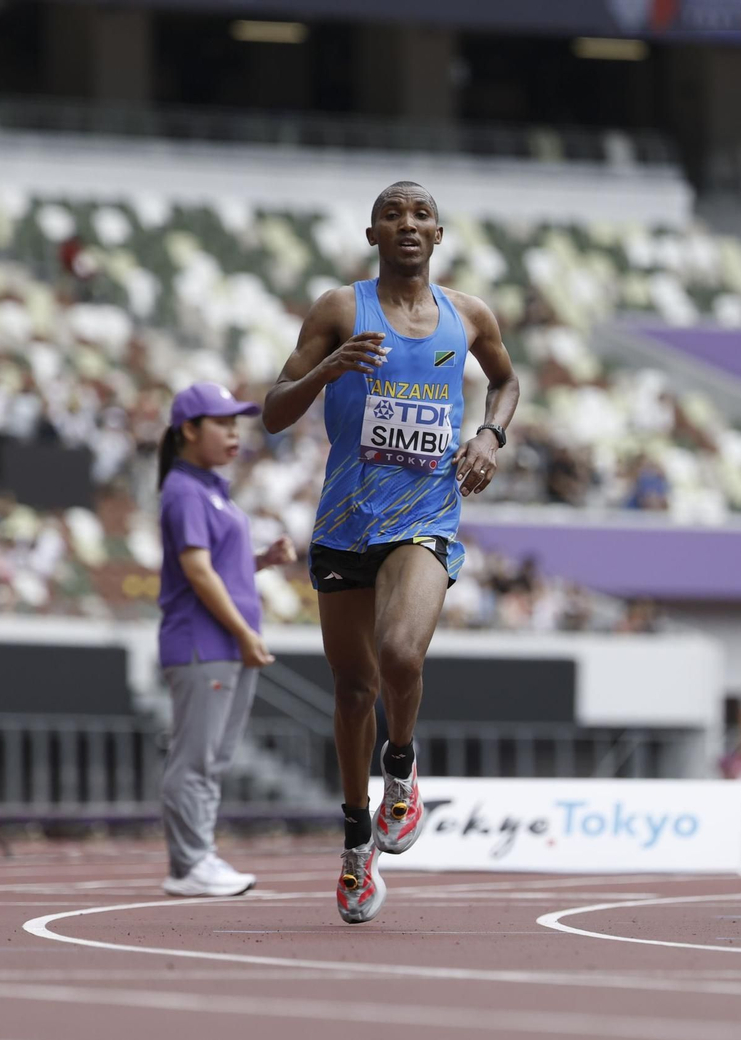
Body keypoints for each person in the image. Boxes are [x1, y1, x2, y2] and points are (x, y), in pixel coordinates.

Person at [262, 181, 520, 924]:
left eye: (420, 215)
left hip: (426, 515)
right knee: (351, 691)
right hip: (345, 521)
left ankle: (400, 770)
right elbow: (274, 412)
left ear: (439, 235)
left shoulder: (468, 316)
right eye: (391, 214)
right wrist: (327, 370)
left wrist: (489, 435)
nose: (407, 223)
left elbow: (505, 383)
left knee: (400, 654)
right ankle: (353, 848)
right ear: (372, 233)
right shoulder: (341, 310)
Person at [157, 382, 297, 897]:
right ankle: (190, 863)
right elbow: (196, 571)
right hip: (203, 642)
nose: (234, 434)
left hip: (224, 643)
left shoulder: (212, 491)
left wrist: (262, 560)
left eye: (236, 424)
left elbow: (214, 565)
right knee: (194, 756)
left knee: (212, 757)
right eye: (222, 424)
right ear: (189, 431)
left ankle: (200, 857)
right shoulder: (184, 491)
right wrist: (243, 632)